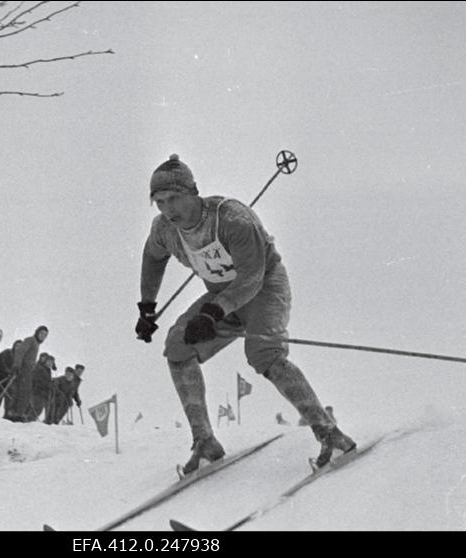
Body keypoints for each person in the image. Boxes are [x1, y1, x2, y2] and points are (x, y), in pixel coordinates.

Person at [136, 154, 355, 474]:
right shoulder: (165, 229)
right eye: (160, 202)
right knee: (177, 347)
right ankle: (204, 440)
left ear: (193, 192)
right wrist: (147, 307)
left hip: (264, 288)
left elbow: (252, 276)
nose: (169, 210)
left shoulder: (233, 219)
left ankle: (329, 433)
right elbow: (153, 258)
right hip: (221, 296)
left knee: (263, 353)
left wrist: (213, 312)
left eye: (175, 199)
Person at [6, 326, 49, 422]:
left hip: (29, 372)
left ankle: (19, 414)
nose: (43, 336)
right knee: (21, 391)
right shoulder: (30, 340)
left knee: (26, 393)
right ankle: (14, 413)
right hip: (23, 370)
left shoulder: (36, 344)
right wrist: (17, 365)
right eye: (41, 333)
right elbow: (20, 351)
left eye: (45, 335)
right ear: (37, 332)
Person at [0, 339, 22, 417]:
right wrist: (7, 371)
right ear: (14, 346)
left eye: (20, 347)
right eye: (17, 346)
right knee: (6, 395)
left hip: (16, 380)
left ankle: (11, 414)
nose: (18, 348)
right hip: (5, 378)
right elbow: (1, 361)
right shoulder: (8, 352)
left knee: (15, 396)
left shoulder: (22, 358)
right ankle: (7, 413)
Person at [28, 352, 56, 421]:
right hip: (38, 392)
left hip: (43, 394)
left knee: (38, 410)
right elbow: (38, 380)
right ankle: (27, 422)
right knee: (36, 409)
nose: (50, 364)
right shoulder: (40, 369)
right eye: (48, 361)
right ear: (45, 361)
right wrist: (49, 384)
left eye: (51, 362)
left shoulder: (47, 370)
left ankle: (28, 422)